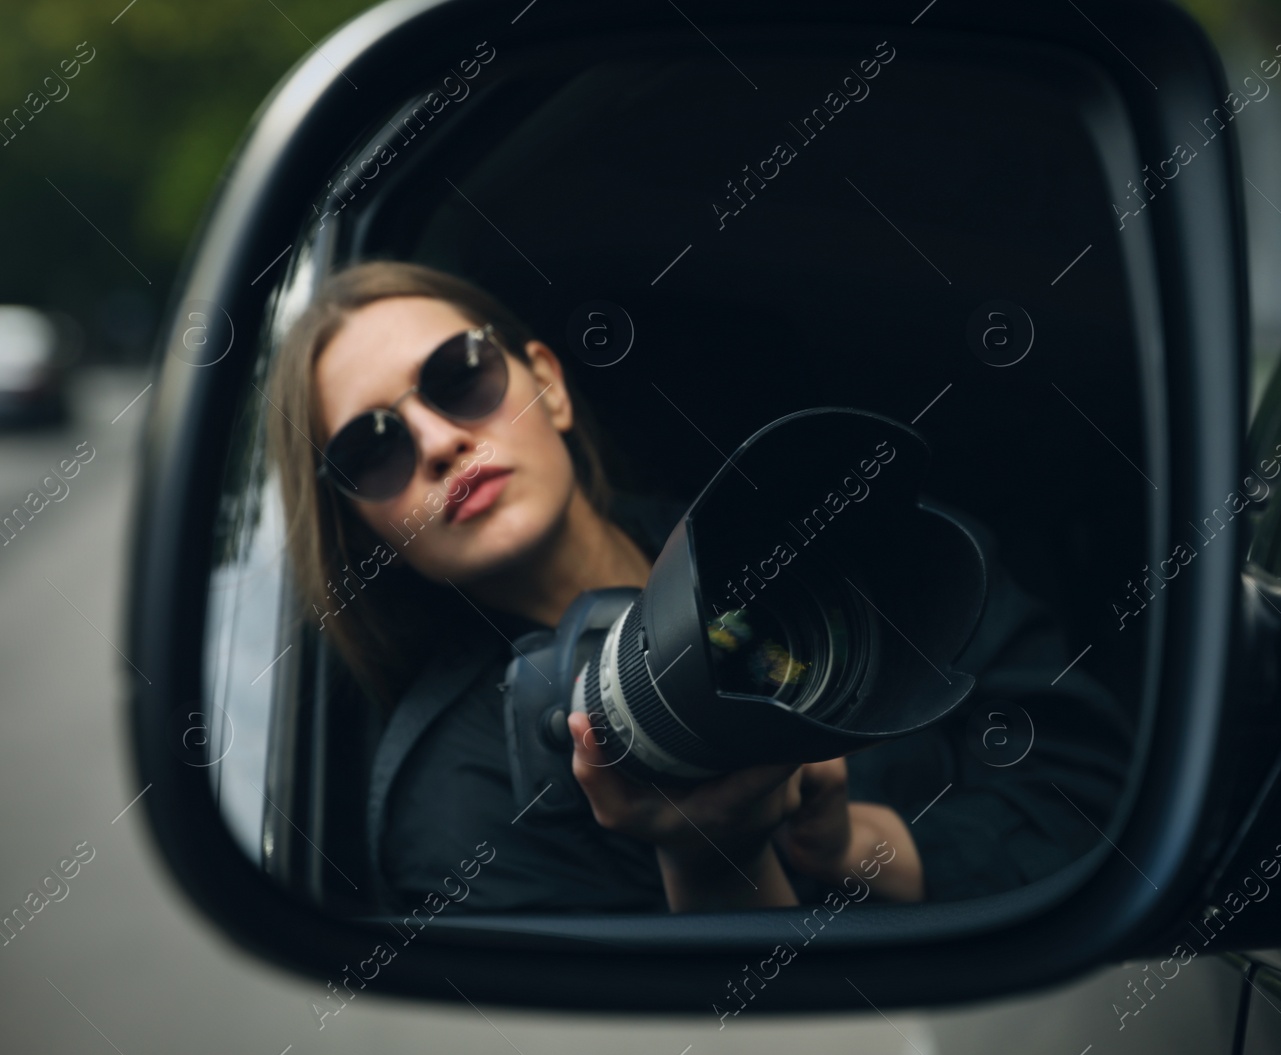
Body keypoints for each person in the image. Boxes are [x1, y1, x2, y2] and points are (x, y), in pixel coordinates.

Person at [267, 260, 1133, 915]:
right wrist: (710, 856)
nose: (437, 442)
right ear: (358, 527)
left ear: (551, 385)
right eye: (370, 451)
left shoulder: (825, 532)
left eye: (461, 377)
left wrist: (851, 844)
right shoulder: (456, 805)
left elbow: (1099, 803)